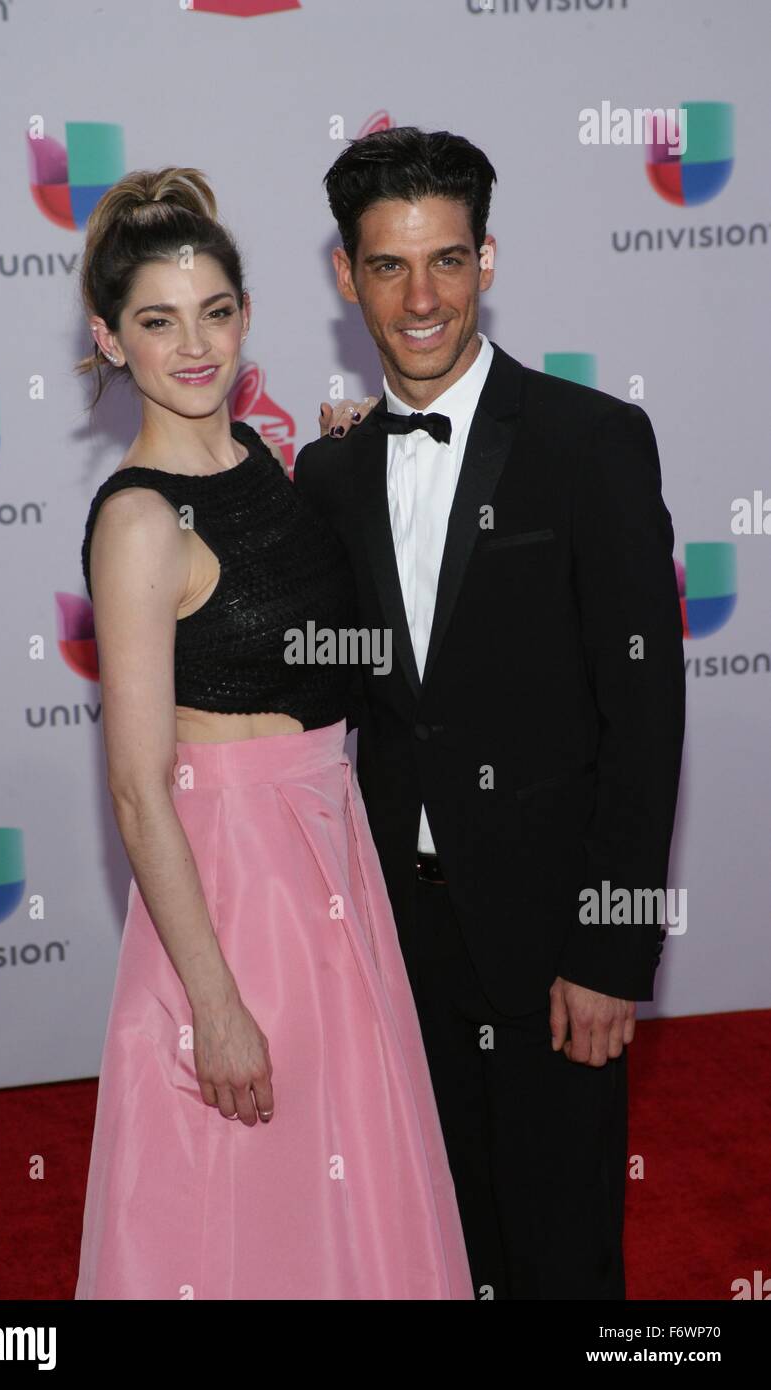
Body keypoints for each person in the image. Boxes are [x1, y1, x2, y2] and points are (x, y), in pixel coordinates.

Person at [294, 126, 686, 1300]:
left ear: (487, 259)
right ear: (343, 275)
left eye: (447, 262)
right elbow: (336, 697)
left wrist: (611, 950)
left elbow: (646, 712)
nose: (421, 299)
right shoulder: (331, 478)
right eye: (387, 266)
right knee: (430, 1250)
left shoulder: (590, 442)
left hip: (553, 944)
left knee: (563, 1262)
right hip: (390, 946)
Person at [72, 166, 473, 1300]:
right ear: (110, 340)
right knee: (245, 1194)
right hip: (235, 881)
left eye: (213, 313)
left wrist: (347, 455)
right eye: (156, 322)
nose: (191, 347)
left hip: (326, 846)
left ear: (246, 315)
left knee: (348, 1185)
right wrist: (212, 1005)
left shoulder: (266, 459)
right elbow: (140, 791)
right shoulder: (140, 521)